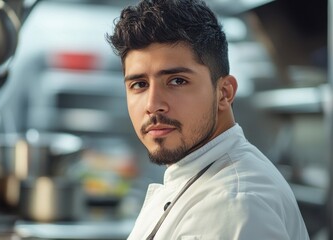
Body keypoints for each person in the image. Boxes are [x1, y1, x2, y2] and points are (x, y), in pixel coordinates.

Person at [106, 0, 310, 239]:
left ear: (224, 92)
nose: (152, 105)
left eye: (177, 81)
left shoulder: (232, 206)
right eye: (139, 84)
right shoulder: (199, 175)